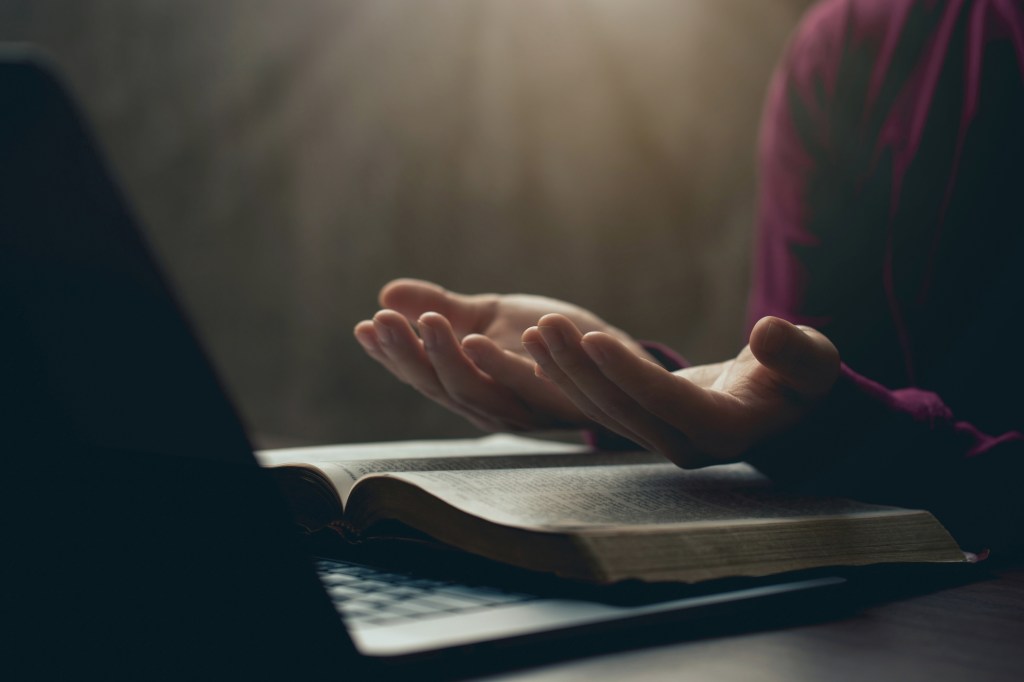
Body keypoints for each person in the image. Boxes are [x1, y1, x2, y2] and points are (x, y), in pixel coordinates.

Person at [354, 0, 1024, 555]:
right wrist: (639, 388)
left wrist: (826, 430)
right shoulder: (848, 45)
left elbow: (834, 425)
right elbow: (797, 391)